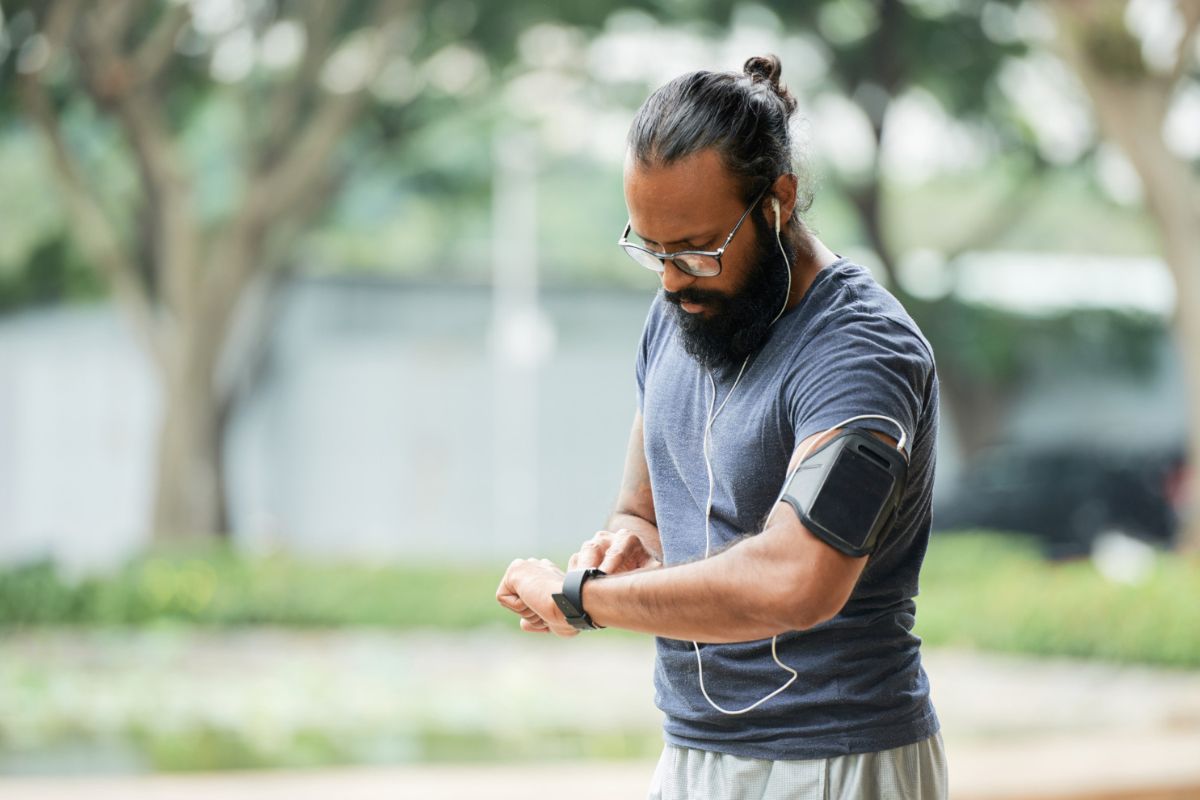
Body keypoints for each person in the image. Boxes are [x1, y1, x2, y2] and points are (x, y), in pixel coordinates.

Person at [496, 54, 946, 800]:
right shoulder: (679, 315)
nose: (674, 280)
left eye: (698, 251)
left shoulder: (861, 351)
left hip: (838, 757)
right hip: (693, 749)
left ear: (778, 202)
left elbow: (798, 578)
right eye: (653, 251)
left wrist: (582, 598)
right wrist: (625, 550)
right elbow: (643, 512)